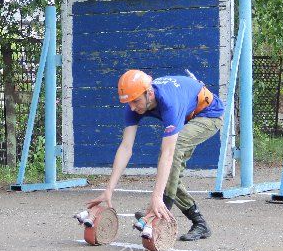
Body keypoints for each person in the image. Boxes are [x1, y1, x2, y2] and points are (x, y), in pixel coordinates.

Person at [87, 69, 224, 241]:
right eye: (128, 103)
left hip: (208, 115)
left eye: (135, 102)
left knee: (173, 151)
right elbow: (125, 147)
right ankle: (199, 223)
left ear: (149, 93)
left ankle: (161, 208)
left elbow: (168, 153)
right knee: (170, 173)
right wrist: (108, 190)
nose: (132, 107)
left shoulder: (170, 102)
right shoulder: (135, 100)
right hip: (187, 113)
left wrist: (157, 197)